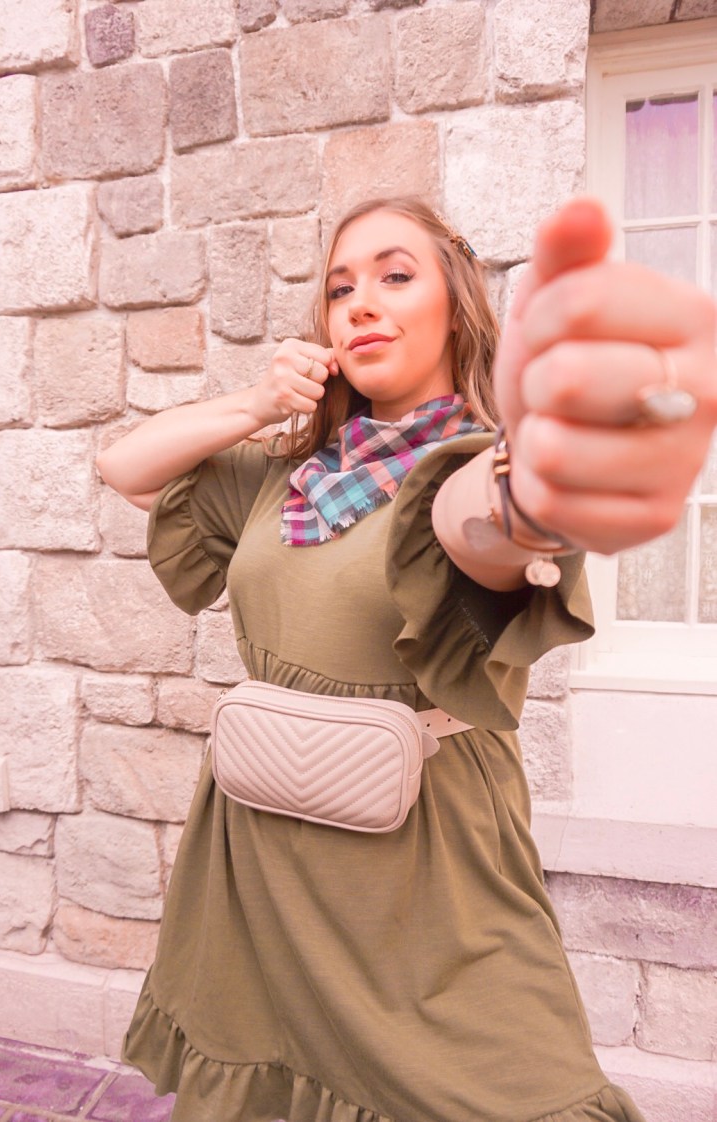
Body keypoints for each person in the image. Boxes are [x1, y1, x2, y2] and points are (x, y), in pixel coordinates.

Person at [97, 195, 717, 1122]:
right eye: (340, 288)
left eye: (395, 275)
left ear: (456, 308)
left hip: (421, 870)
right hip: (261, 856)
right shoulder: (285, 475)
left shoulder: (468, 466)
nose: (362, 303)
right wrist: (260, 404)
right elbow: (126, 466)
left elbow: (477, 525)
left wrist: (539, 478)